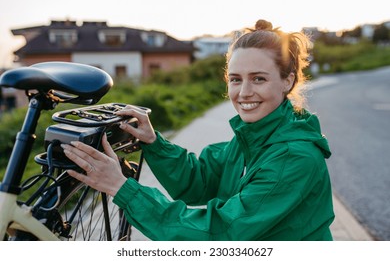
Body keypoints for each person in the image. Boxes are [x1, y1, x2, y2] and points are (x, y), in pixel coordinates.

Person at [62, 19, 335, 241]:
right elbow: (200, 181)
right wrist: (155, 143)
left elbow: (219, 234)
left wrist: (121, 188)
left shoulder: (292, 157)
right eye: (236, 79)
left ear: (288, 81)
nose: (244, 92)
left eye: (259, 79)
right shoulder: (254, 137)